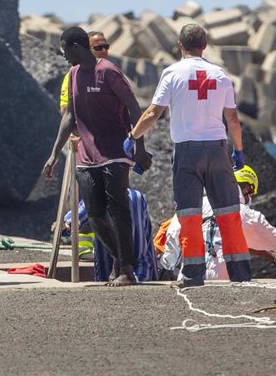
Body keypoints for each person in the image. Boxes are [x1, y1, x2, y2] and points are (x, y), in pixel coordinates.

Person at [127, 23, 250, 287]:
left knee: (190, 214)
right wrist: (238, 151)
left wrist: (132, 137)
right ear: (205, 45)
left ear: (179, 45)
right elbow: (233, 119)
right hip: (218, 149)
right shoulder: (220, 74)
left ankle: (193, 275)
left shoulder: (172, 73)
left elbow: (152, 113)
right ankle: (240, 274)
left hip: (187, 151)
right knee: (228, 211)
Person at [43, 26, 151, 286]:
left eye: (65, 50)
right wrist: (54, 154)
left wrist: (139, 145)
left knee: (119, 209)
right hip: (86, 156)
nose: (65, 55)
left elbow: (134, 107)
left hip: (115, 153)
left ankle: (126, 269)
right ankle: (119, 257)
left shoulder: (108, 71)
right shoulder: (73, 74)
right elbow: (69, 116)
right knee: (94, 215)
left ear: (76, 47)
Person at [160, 165, 276, 279]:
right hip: (222, 278)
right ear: (245, 189)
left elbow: (173, 236)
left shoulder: (195, 204)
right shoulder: (245, 214)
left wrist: (170, 264)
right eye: (250, 194)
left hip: (189, 277)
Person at [66, 189, 158, 282]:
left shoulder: (134, 200)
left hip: (139, 275)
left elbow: (140, 257)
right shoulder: (96, 198)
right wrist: (64, 224)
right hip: (106, 274)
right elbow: (69, 223)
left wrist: (137, 280)